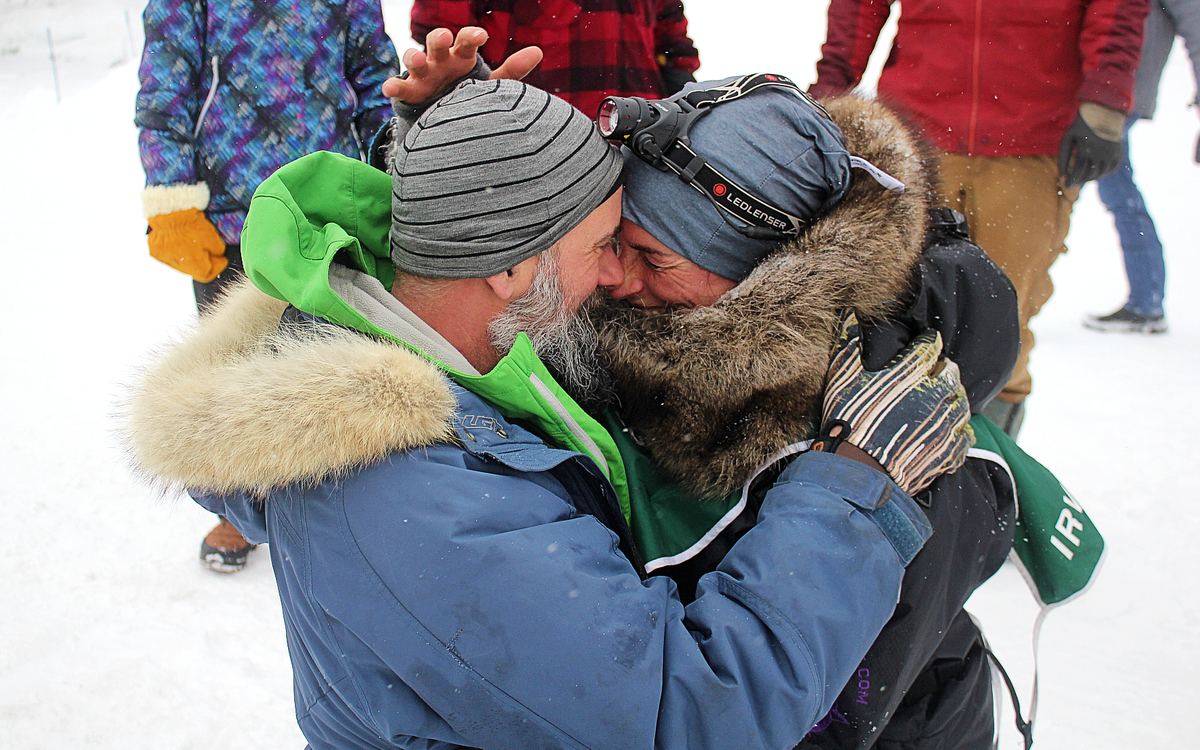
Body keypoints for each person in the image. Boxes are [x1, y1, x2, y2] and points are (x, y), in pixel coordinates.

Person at [122, 31, 973, 748]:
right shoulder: (413, 500)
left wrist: (466, 149)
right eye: (605, 242)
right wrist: (856, 486)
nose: (611, 278)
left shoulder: (447, 342)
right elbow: (688, 716)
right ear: (513, 269)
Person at [585, 75, 1022, 749]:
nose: (615, 277)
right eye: (616, 243)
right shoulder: (655, 363)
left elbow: (826, 713)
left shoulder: (896, 429)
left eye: (652, 256)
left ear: (759, 270)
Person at [134, 0, 400, 571]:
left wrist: (392, 166)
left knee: (330, 350)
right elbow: (165, 83)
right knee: (235, 364)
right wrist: (170, 195)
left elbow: (375, 73)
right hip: (228, 207)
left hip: (321, 199)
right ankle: (236, 503)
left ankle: (338, 500)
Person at [810, 0, 1149, 438]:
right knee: (892, 314)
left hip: (1031, 138)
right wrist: (832, 85)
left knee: (1003, 324)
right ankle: (880, 464)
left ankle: (987, 469)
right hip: (919, 132)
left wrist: (1104, 103)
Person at [1086, 0, 1200, 334]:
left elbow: (1196, 27)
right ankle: (1145, 299)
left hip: (1118, 93)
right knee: (1107, 188)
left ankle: (1146, 300)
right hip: (1094, 90)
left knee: (1114, 189)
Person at [410, 0, 700, 115]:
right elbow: (444, 35)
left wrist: (681, 83)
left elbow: (670, 27)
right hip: (538, 147)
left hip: (639, 134)